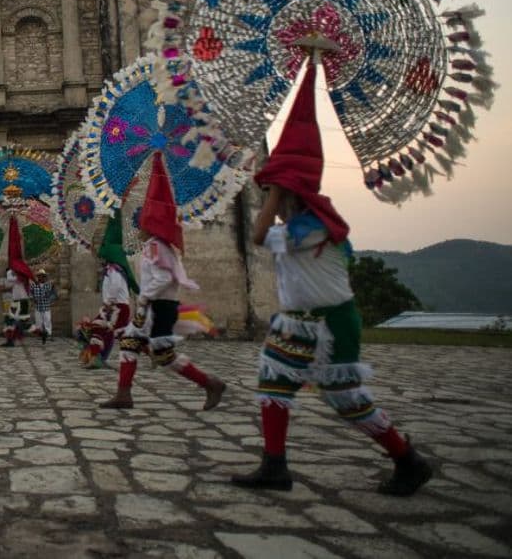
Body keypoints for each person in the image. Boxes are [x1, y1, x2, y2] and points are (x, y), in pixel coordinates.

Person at [231, 64, 432, 496]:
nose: (272, 201)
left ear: (290, 194)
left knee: (346, 399)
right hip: (300, 322)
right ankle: (274, 465)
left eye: (277, 194)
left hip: (329, 324)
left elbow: (259, 234)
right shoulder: (306, 227)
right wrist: (278, 189)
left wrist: (275, 192)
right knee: (274, 383)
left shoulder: (315, 228)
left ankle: (407, 458)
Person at [100, 153, 226, 411]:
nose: (138, 226)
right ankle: (124, 393)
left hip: (159, 307)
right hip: (155, 307)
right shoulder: (155, 246)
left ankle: (209, 382)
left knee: (164, 355)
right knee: (130, 342)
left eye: (143, 222)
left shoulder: (156, 247)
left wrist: (145, 298)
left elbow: (164, 278)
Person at [79, 212, 136, 368]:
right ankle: (97, 358)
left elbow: (115, 286)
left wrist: (109, 303)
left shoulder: (114, 270)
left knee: (105, 331)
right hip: (112, 307)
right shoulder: (111, 269)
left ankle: (95, 358)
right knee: (105, 331)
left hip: (117, 308)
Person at [28, 268, 57, 343]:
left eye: (42, 276)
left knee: (47, 321)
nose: (41, 277)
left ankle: (49, 335)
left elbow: (54, 293)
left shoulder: (48, 285)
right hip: (38, 307)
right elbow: (30, 293)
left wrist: (50, 298)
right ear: (38, 277)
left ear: (45, 277)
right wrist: (32, 298)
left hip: (46, 306)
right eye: (39, 276)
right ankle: (40, 335)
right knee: (38, 322)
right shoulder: (34, 285)